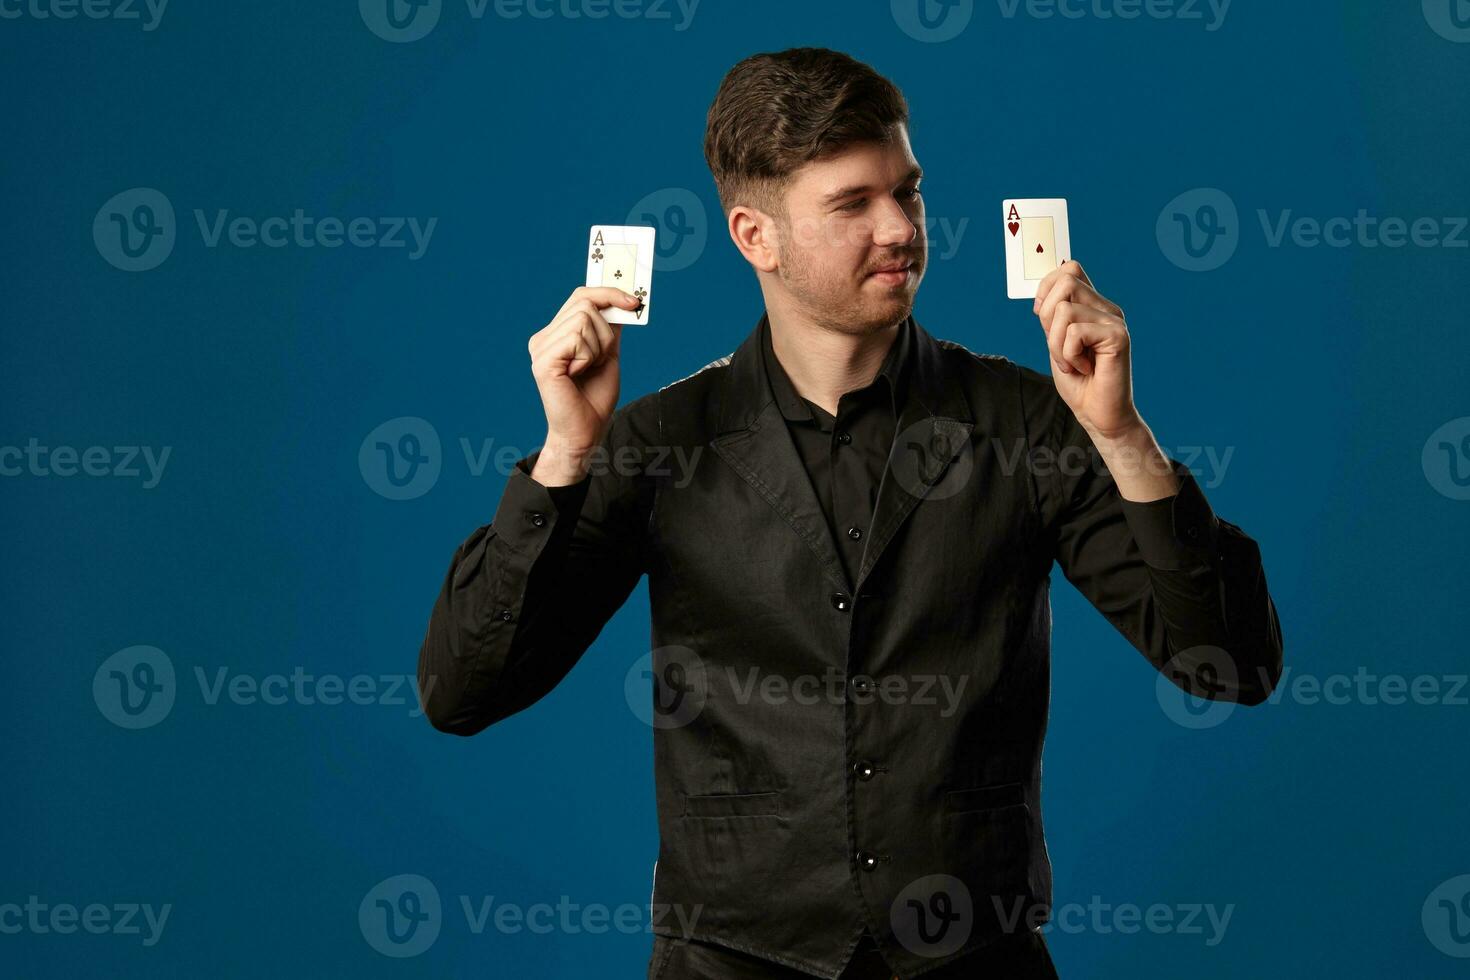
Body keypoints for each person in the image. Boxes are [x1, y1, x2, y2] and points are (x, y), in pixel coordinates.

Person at [418, 46, 1283, 980]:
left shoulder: (1032, 422)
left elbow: (1234, 665)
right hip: (733, 961)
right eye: (853, 204)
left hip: (973, 956)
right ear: (756, 236)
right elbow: (462, 692)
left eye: (907, 193)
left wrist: (1122, 438)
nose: (901, 229)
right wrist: (564, 458)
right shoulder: (659, 441)